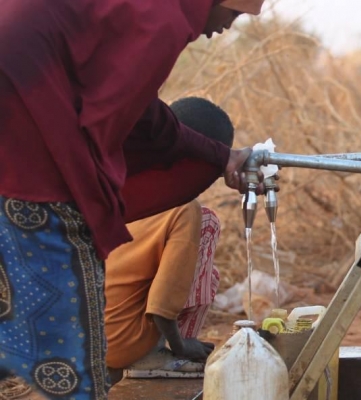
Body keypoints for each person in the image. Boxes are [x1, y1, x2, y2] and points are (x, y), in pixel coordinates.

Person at [0, 1, 266, 398]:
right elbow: (108, 122)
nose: (229, 26)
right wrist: (96, 203)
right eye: (234, 13)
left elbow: (141, 112)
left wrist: (216, 154)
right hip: (32, 164)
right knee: (72, 365)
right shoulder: (163, 21)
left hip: (14, 145)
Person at [104, 98, 233, 383]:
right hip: (123, 342)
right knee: (208, 226)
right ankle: (161, 356)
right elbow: (163, 301)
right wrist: (180, 344)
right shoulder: (183, 209)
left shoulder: (122, 183)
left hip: (81, 336)